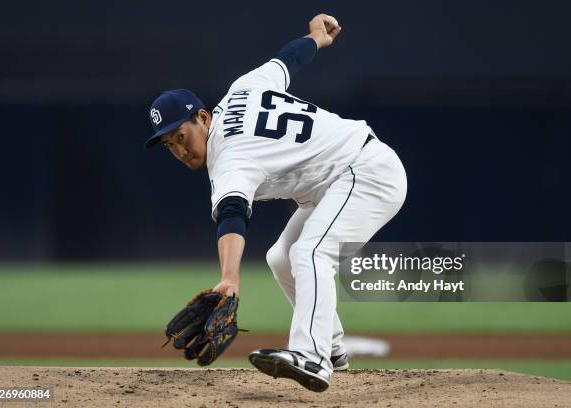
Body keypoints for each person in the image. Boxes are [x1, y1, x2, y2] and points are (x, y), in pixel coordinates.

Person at [145, 14, 407, 392]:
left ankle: (312, 358)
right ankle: (332, 348)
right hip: (337, 180)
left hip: (366, 172)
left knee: (311, 252)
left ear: (203, 117)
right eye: (169, 145)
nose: (179, 150)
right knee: (281, 258)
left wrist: (230, 278)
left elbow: (232, 216)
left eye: (181, 136)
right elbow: (288, 59)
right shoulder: (243, 88)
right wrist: (317, 36)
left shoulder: (230, 158)